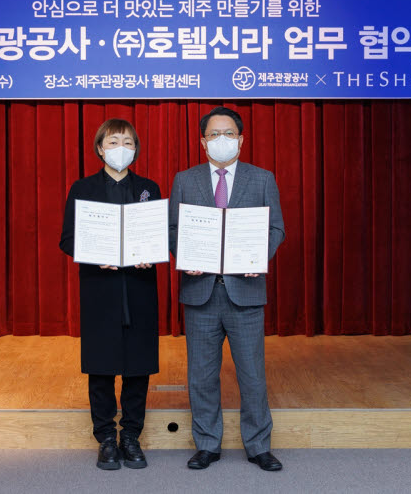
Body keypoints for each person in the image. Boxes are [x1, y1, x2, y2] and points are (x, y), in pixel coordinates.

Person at [168, 106, 286, 472]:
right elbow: (173, 229)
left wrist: (255, 258)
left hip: (245, 291)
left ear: (241, 139)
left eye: (229, 134)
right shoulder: (185, 180)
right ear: (202, 141)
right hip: (201, 290)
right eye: (214, 134)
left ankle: (258, 445)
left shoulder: (262, 178)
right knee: (201, 374)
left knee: (252, 373)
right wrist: (185, 255)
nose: (222, 140)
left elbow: (276, 229)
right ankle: (207, 444)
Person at [59, 119, 161, 471]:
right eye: (114, 141)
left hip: (140, 286)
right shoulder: (82, 188)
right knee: (101, 366)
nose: (121, 147)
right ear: (100, 148)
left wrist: (153, 250)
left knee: (139, 366)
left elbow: (157, 234)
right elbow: (68, 239)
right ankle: (105, 438)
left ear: (136, 149)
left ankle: (131, 435)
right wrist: (93, 254)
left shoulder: (149, 187)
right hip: (100, 288)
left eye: (128, 142)